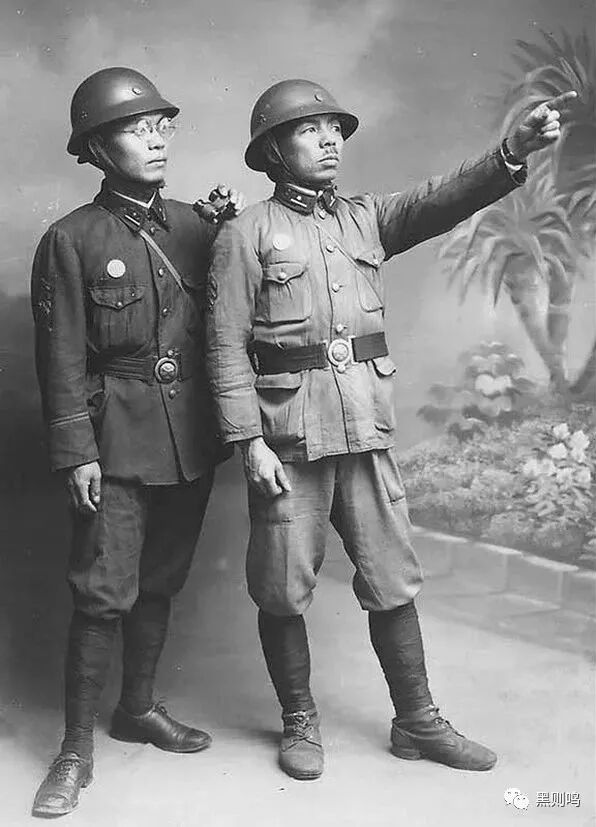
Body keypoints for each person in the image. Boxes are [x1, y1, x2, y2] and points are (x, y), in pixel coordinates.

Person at [205, 78, 576, 781]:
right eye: (310, 130)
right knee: (282, 587)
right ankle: (299, 720)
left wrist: (511, 150)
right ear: (273, 150)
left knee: (392, 579)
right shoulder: (244, 234)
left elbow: (443, 197)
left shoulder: (367, 218)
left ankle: (418, 720)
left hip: (364, 430)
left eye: (335, 129)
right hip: (290, 438)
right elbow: (223, 347)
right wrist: (247, 441)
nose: (330, 140)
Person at [30, 67, 245, 818]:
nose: (155, 139)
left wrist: (226, 223)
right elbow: (60, 359)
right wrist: (76, 452)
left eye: (162, 126)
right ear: (96, 148)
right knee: (102, 592)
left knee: (161, 580)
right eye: (134, 128)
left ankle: (139, 708)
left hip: (189, 439)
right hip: (114, 443)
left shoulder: (197, 226)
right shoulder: (70, 239)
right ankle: (74, 750)